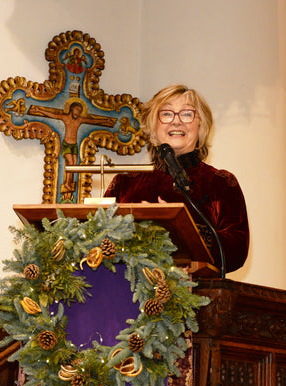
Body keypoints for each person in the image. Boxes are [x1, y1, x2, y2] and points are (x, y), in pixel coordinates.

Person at [104, 84, 249, 273]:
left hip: (197, 296)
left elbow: (236, 251)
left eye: (187, 114)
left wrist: (178, 229)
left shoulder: (221, 183)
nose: (176, 122)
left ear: (201, 126)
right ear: (153, 126)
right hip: (127, 295)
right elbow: (100, 239)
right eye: (166, 114)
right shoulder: (124, 183)